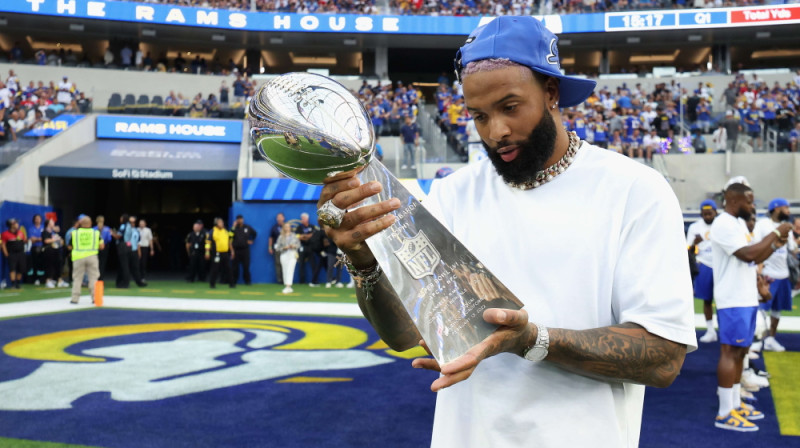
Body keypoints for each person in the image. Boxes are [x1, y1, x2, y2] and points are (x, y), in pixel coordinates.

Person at [317, 16, 695, 447]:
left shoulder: (634, 190)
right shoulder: (452, 194)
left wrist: (531, 341)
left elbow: (664, 358)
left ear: (551, 93)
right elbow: (403, 334)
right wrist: (364, 260)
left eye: (510, 107)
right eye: (479, 116)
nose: (496, 132)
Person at [710, 182, 792, 431]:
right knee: (730, 352)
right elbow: (747, 255)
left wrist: (774, 245)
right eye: (749, 200)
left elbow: (756, 257)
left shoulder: (736, 224)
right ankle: (724, 413)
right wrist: (775, 234)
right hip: (732, 298)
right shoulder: (723, 223)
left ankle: (735, 404)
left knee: (741, 352)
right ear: (734, 201)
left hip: (745, 297)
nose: (752, 205)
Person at [752, 198, 797, 352]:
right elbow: (756, 246)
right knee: (762, 308)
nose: (789, 211)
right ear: (776, 208)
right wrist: (758, 272)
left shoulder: (787, 226)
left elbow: (792, 248)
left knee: (778, 309)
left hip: (783, 274)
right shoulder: (762, 224)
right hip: (768, 274)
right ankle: (758, 339)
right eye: (786, 208)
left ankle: (771, 339)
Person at [687, 200, 718, 342]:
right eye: (705, 214)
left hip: (721, 266)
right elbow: (689, 251)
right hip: (704, 264)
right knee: (707, 300)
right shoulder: (695, 227)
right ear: (701, 214)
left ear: (715, 212)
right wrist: (695, 244)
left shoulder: (721, 225)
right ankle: (710, 330)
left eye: (710, 213)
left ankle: (724, 330)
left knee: (724, 300)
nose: (707, 216)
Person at [68, 216, 103, 305]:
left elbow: (69, 246)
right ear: (91, 223)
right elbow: (102, 246)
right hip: (92, 256)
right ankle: (94, 298)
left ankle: (75, 298)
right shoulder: (96, 233)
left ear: (80, 224)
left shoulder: (75, 233)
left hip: (78, 257)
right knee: (93, 278)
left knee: (77, 278)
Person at [205, 217, 235, 288]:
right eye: (220, 222)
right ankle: (212, 284)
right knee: (215, 269)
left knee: (228, 268)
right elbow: (207, 242)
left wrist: (232, 251)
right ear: (216, 223)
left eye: (222, 222)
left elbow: (229, 239)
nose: (222, 224)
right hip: (216, 253)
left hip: (225, 253)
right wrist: (207, 252)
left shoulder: (225, 231)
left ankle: (232, 284)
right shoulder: (212, 231)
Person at [231, 214, 257, 285]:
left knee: (246, 266)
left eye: (241, 219)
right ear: (236, 220)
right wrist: (233, 226)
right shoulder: (234, 228)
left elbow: (255, 233)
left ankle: (247, 281)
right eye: (238, 219)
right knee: (235, 267)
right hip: (236, 250)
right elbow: (230, 236)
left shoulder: (247, 227)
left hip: (245, 250)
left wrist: (251, 240)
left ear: (243, 219)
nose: (240, 220)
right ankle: (234, 281)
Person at [1, 219, 27, 289]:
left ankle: (18, 283)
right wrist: (6, 253)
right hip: (12, 254)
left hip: (21, 253)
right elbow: (3, 244)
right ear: (11, 225)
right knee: (12, 269)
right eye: (15, 223)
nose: (17, 225)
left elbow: (24, 241)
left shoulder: (21, 233)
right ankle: (13, 284)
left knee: (21, 268)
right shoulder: (5, 234)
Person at [275, 222, 300, 294]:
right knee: (285, 270)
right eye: (286, 227)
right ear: (284, 228)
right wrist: (284, 248)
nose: (287, 228)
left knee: (290, 269)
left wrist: (294, 246)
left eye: (288, 227)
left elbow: (298, 245)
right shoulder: (280, 237)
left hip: (292, 254)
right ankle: (287, 286)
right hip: (284, 254)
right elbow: (277, 247)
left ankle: (288, 286)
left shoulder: (294, 235)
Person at [295, 213, 317, 286]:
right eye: (301, 218)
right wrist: (307, 236)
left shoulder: (312, 226)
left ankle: (314, 281)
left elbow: (313, 235)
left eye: (303, 218)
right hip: (302, 247)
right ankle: (302, 281)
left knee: (313, 264)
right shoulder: (299, 227)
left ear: (307, 219)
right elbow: (298, 237)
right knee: (301, 265)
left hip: (311, 247)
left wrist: (304, 236)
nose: (302, 220)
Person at [41, 219, 64, 289]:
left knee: (58, 264)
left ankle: (59, 280)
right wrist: (55, 239)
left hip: (56, 250)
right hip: (49, 250)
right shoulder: (45, 231)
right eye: (52, 222)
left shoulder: (54, 232)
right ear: (48, 224)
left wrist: (60, 239)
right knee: (49, 265)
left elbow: (61, 241)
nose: (53, 223)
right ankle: (48, 281)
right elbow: (46, 241)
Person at [28, 214, 46, 286]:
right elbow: (31, 239)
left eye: (39, 218)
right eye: (36, 218)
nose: (37, 220)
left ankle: (43, 279)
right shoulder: (31, 228)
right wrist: (41, 239)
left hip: (43, 248)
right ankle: (36, 279)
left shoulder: (43, 228)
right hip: (35, 248)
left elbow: (46, 238)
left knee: (43, 263)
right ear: (34, 220)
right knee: (35, 264)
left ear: (41, 220)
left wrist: (37, 239)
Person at [268, 213, 285, 284]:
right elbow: (271, 238)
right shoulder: (274, 227)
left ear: (283, 218)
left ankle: (286, 280)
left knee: (285, 264)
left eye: (280, 217)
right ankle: (280, 280)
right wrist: (270, 247)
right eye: (278, 217)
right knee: (278, 264)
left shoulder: (286, 226)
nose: (279, 218)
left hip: (286, 248)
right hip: (277, 248)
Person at [94, 215, 113, 281]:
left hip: (97, 247)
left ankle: (96, 278)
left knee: (96, 263)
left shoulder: (94, 229)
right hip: (103, 247)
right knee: (102, 263)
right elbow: (109, 239)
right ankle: (100, 279)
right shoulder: (107, 229)